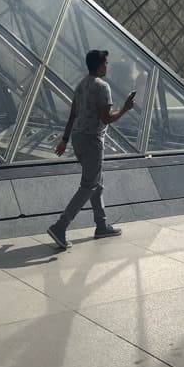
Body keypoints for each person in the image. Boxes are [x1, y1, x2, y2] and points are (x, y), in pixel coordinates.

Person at [47, 49, 135, 250]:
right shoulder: (102, 87)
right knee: (89, 185)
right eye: (106, 63)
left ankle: (101, 225)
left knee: (97, 182)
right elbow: (106, 118)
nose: (107, 66)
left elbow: (72, 115)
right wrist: (125, 108)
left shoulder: (81, 84)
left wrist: (65, 140)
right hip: (93, 141)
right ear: (99, 65)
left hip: (78, 138)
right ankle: (60, 226)